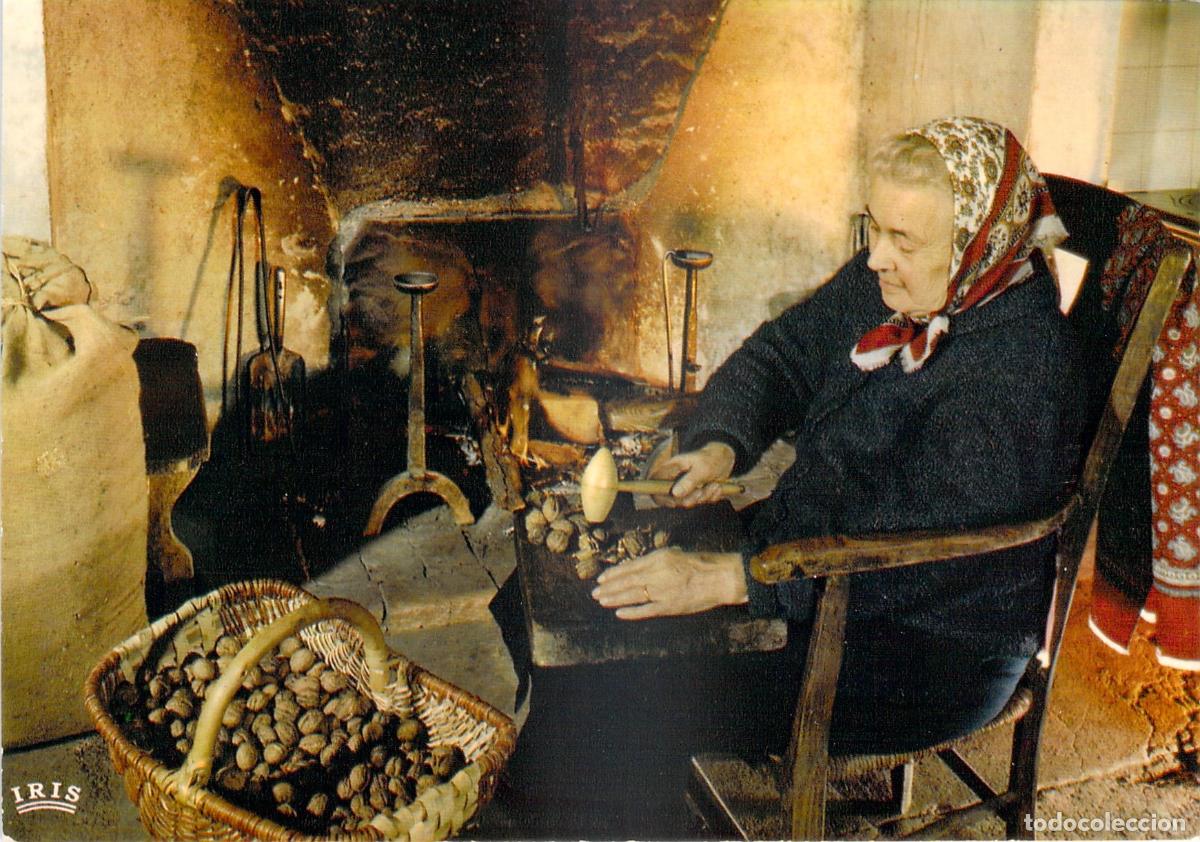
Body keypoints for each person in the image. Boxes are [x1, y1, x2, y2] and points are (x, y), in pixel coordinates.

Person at [498, 116, 1084, 837]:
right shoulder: (917, 284)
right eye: (876, 228)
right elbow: (784, 353)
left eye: (905, 240)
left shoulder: (1020, 372)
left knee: (621, 685)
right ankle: (552, 803)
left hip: (923, 647)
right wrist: (721, 443)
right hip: (813, 565)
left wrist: (731, 578)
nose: (876, 259)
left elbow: (914, 557)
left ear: (978, 244)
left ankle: (574, 808)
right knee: (544, 602)